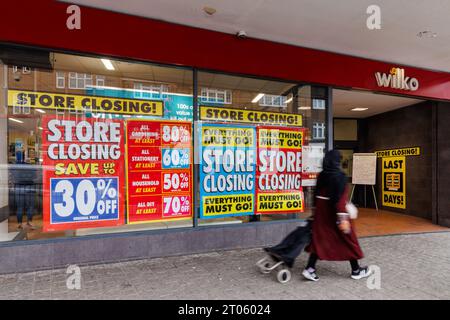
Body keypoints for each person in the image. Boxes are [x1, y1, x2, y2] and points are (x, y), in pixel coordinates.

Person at [302, 150, 371, 282]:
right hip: (335, 214)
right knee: (348, 240)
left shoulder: (322, 175)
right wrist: (343, 220)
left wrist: (314, 213)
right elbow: (340, 200)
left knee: (320, 240)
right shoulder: (340, 176)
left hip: (322, 214)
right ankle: (356, 270)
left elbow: (315, 196)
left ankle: (310, 268)